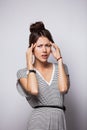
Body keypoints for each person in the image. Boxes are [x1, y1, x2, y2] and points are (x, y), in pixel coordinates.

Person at [16, 21, 70, 130]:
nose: (44, 50)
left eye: (48, 45)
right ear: (31, 49)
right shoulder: (23, 73)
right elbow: (34, 90)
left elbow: (63, 88)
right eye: (40, 46)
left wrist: (59, 60)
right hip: (38, 121)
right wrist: (29, 63)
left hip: (59, 120)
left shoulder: (62, 67)